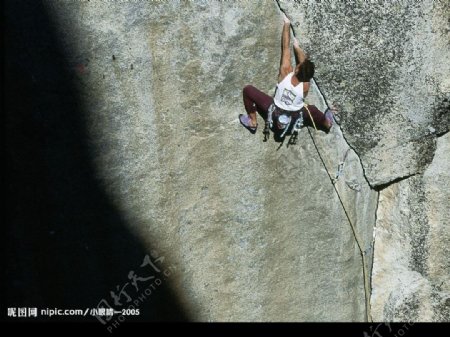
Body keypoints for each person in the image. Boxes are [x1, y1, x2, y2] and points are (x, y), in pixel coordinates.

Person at [239, 14, 335, 137]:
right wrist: (298, 48)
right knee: (313, 110)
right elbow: (303, 62)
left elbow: (285, 48)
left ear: (296, 70)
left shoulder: (285, 73)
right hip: (295, 118)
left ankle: (252, 121)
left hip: (274, 115)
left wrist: (287, 24)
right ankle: (326, 123)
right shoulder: (305, 86)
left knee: (248, 90)